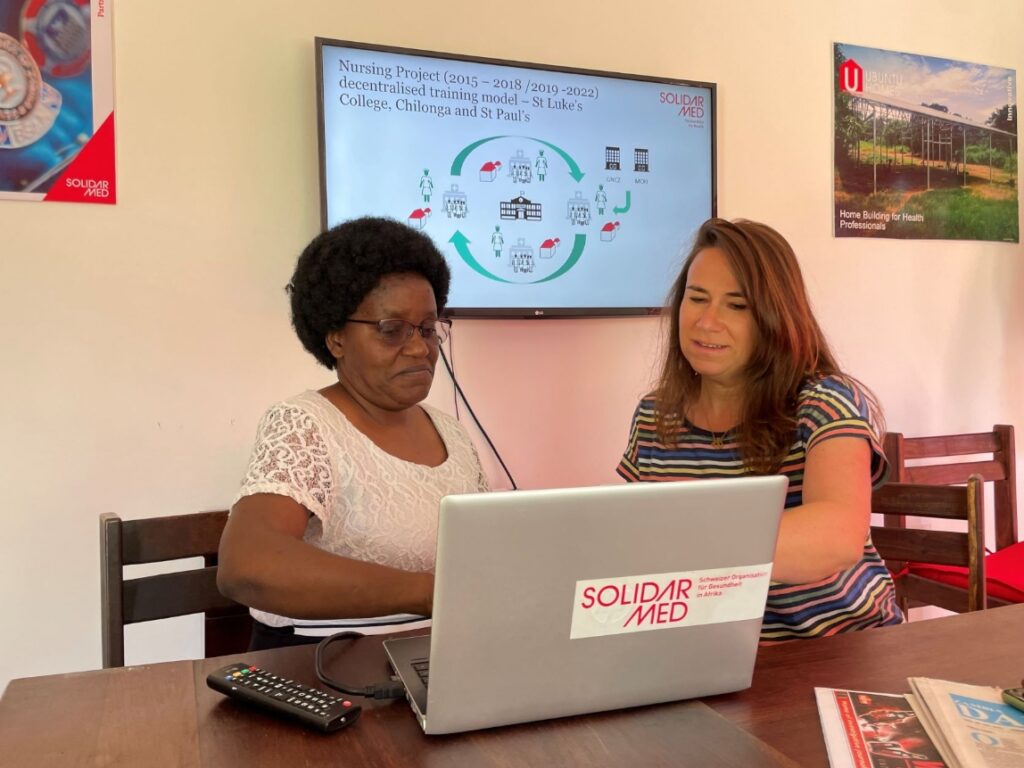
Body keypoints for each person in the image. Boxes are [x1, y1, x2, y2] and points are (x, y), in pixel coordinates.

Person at [616, 217, 902, 642]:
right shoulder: (654, 415)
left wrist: (681, 544)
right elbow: (630, 541)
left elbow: (838, 535)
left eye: (737, 305)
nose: (707, 322)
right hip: (708, 654)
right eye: (697, 299)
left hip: (841, 648)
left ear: (775, 318)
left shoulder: (824, 400)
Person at [218, 216, 489, 650]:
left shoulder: (451, 433)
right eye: (391, 330)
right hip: (323, 665)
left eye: (427, 328)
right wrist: (428, 593)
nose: (420, 347)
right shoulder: (305, 425)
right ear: (337, 338)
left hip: (441, 656)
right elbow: (247, 563)